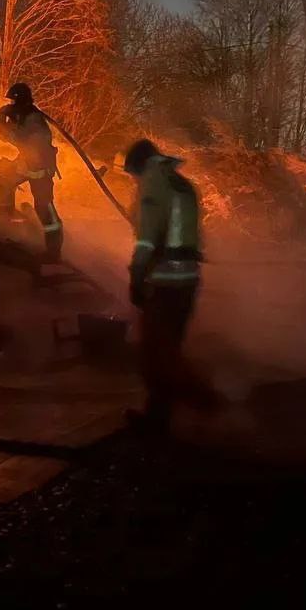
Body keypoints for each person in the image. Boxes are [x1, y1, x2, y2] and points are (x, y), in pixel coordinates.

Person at [122, 138, 219, 432]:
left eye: (132, 175)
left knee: (155, 353)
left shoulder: (152, 184)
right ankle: (160, 416)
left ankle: (209, 404)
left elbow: (148, 237)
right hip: (187, 281)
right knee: (168, 349)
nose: (134, 181)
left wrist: (137, 276)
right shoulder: (180, 183)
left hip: (165, 281)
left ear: (139, 166)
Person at [0, 83, 63, 262]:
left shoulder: (33, 119)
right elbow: (7, 137)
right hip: (26, 163)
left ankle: (53, 251)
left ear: (20, 101)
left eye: (13, 101)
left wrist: (2, 122)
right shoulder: (22, 115)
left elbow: (20, 140)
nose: (10, 104)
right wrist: (2, 120)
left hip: (40, 168)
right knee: (2, 182)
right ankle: (6, 226)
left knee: (44, 208)